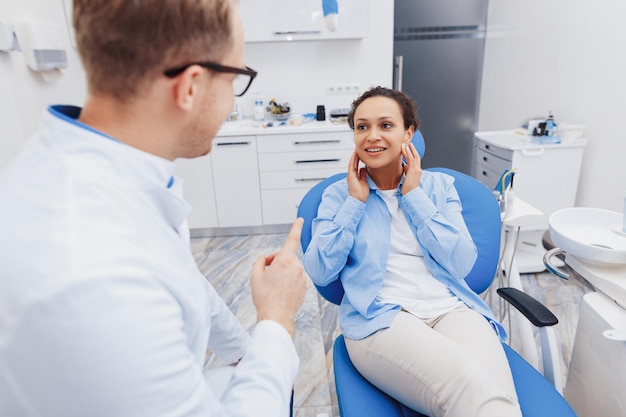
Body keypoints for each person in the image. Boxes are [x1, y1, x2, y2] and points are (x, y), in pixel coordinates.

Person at [0, 1, 307, 416]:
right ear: (191, 87)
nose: (233, 99)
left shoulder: (97, 166)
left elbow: (183, 275)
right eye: (237, 77)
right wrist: (277, 319)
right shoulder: (94, 273)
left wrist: (246, 349)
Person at [303, 87, 522, 417]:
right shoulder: (338, 196)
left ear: (409, 132)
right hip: (381, 316)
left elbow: (461, 261)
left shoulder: (438, 188)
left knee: (501, 397)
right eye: (362, 127)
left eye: (386, 125)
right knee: (475, 396)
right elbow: (320, 271)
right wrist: (355, 203)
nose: (372, 136)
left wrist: (415, 196)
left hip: (451, 308)